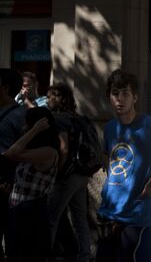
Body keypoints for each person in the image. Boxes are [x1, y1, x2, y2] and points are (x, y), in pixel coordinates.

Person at [95, 69, 151, 262]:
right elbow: (109, 160)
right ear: (109, 97)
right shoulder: (110, 127)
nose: (120, 99)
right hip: (110, 211)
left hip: (137, 214)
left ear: (135, 97)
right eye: (115, 94)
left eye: (125, 94)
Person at [4, 107, 60, 262]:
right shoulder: (35, 150)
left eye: (27, 124)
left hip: (31, 214)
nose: (24, 128)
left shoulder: (48, 152)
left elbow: (11, 153)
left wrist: (34, 130)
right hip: (18, 211)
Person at [46, 83, 91, 262]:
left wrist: (57, 171)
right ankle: (84, 256)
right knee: (80, 218)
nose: (48, 99)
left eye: (51, 96)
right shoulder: (79, 118)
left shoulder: (59, 119)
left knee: (51, 217)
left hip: (67, 175)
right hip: (82, 174)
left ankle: (44, 255)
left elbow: (63, 148)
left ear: (60, 98)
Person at [0, 69, 27, 262]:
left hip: (7, 188)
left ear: (5, 88)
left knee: (12, 241)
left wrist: (12, 181)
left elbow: (28, 154)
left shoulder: (19, 116)